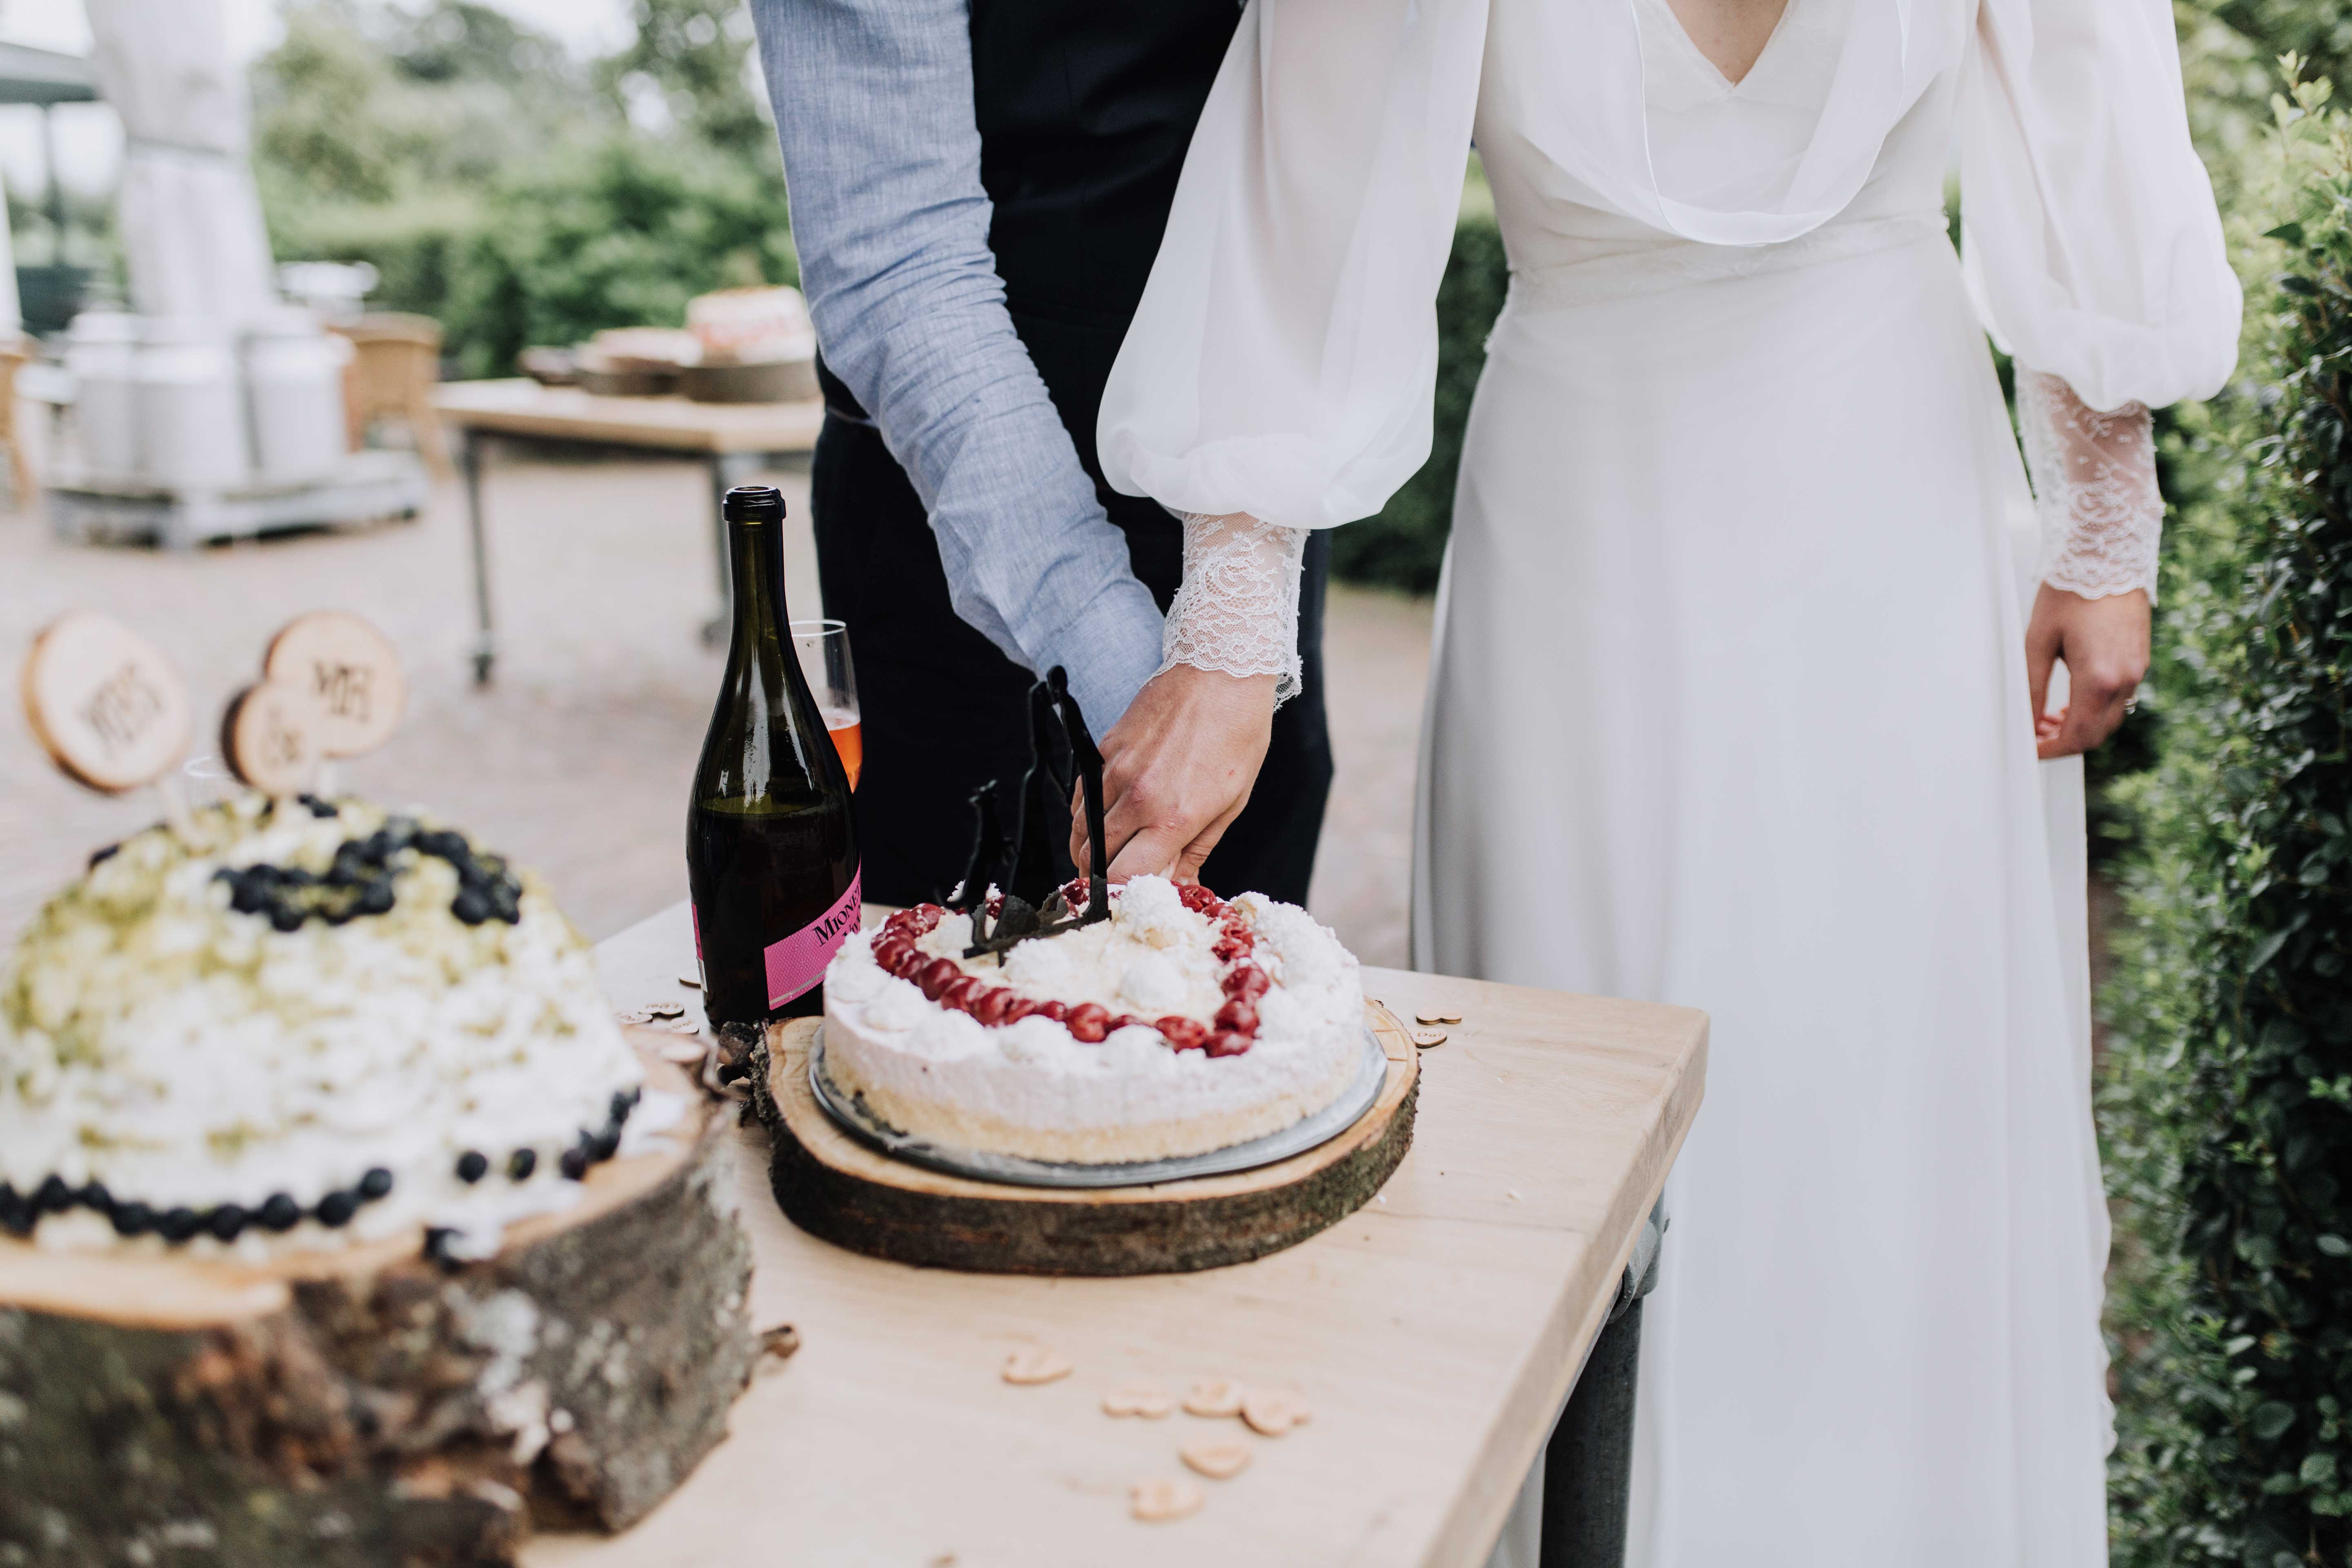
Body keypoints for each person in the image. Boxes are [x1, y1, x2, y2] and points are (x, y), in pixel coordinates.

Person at [1094, 0, 2239, 1561]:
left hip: (1899, 529)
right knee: (1594, 1118)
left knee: (1884, 1101)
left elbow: (2077, 78)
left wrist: (2106, 510)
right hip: (1585, 554)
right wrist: (1231, 639)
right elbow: (1309, 181)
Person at [745, 0, 1333, 909]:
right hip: (953, 513)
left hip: (1262, 517)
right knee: (946, 983)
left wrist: (1238, 629)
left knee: (1240, 1001)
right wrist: (1140, 677)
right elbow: (894, 254)